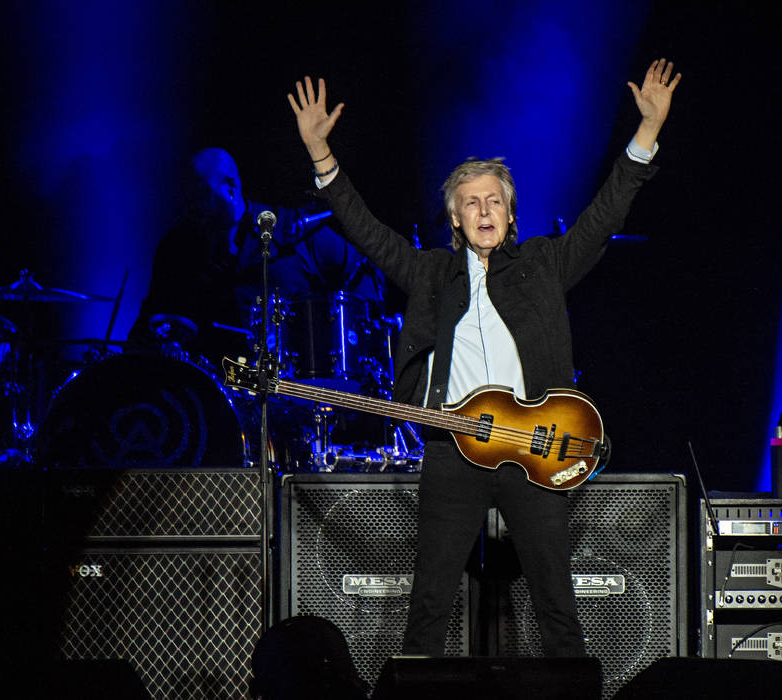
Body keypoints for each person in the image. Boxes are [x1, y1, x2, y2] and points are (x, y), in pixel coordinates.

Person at [287, 59, 680, 657]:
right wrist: (321, 155)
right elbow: (365, 230)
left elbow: (604, 218)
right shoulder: (432, 273)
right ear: (456, 217)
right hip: (453, 454)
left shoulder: (544, 264)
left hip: (536, 450)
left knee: (556, 601)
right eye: (471, 203)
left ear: (510, 212)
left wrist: (645, 133)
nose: (484, 210)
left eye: (494, 200)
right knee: (430, 604)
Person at [128, 147, 384, 371]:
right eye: (188, 196)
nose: (193, 204)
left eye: (201, 193)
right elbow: (151, 320)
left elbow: (364, 271)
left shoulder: (290, 230)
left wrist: (338, 341)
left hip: (292, 393)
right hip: (211, 398)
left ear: (230, 188)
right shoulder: (176, 249)